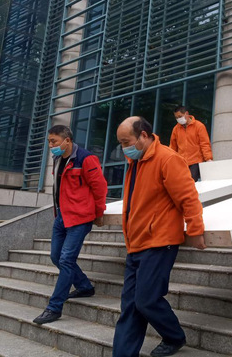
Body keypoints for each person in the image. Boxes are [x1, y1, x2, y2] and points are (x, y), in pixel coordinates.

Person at [113, 116, 206, 357]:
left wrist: (195, 230)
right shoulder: (135, 162)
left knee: (146, 300)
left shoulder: (167, 158)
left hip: (159, 242)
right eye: (121, 143)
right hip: (136, 243)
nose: (124, 148)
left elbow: (188, 197)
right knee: (129, 306)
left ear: (143, 135)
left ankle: (174, 336)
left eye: (126, 142)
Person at [33, 125, 107, 325]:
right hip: (61, 216)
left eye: (54, 141)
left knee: (66, 260)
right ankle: (84, 286)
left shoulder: (86, 158)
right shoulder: (57, 158)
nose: (51, 145)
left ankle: (54, 308)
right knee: (56, 256)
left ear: (67, 140)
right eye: (49, 141)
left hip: (80, 218)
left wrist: (99, 213)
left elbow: (100, 187)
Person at [169, 105, 213, 182]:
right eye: (176, 118)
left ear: (186, 113)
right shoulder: (176, 129)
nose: (178, 119)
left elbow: (205, 144)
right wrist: (170, 162)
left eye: (180, 116)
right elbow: (173, 147)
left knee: (190, 182)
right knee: (181, 184)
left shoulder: (199, 126)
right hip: (181, 163)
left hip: (195, 162)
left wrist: (208, 159)